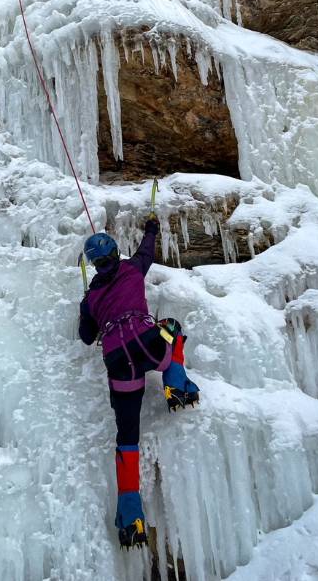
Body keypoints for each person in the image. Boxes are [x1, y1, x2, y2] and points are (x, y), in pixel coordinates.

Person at [79, 218, 200, 549]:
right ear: (116, 254)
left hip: (118, 362)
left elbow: (87, 337)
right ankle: (176, 385)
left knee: (127, 438)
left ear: (93, 264)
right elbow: (148, 250)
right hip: (147, 339)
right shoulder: (132, 269)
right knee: (172, 329)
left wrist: (87, 303)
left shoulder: (91, 298)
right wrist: (151, 229)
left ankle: (130, 515)